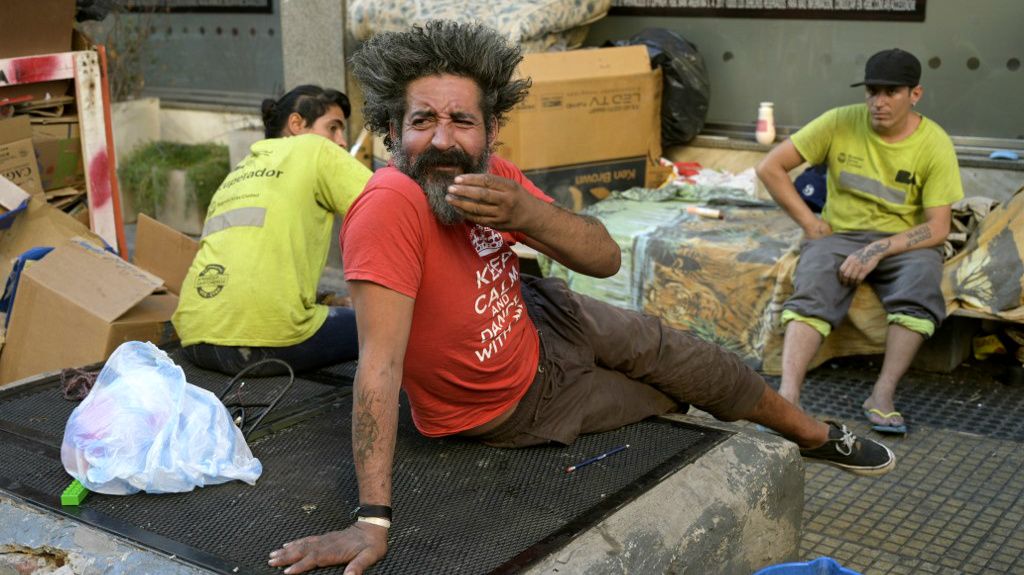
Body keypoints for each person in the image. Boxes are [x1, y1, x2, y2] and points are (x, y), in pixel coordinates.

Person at [268, 22, 897, 575]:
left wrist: (526, 213)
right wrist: (371, 521)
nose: (441, 140)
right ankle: (736, 410)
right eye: (421, 121)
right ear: (391, 133)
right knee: (676, 396)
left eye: (461, 120)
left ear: (489, 131)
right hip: (517, 403)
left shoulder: (493, 179)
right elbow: (377, 367)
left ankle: (817, 436)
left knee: (701, 360)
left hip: (545, 315)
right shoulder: (390, 204)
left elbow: (603, 256)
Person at [755, 48, 963, 434]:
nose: (878, 102)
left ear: (914, 94)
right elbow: (770, 167)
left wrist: (877, 249)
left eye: (891, 92)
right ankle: (788, 396)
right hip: (841, 234)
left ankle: (882, 394)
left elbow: (938, 227)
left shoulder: (934, 143)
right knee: (813, 280)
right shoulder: (839, 122)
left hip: (903, 241)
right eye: (872, 91)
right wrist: (810, 223)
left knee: (920, 287)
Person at [172, 85, 372, 376]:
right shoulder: (314, 149)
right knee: (393, 323)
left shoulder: (237, 173)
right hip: (265, 342)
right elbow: (389, 204)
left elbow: (255, 268)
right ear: (296, 125)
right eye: (333, 128)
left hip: (195, 337)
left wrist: (327, 298)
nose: (341, 142)